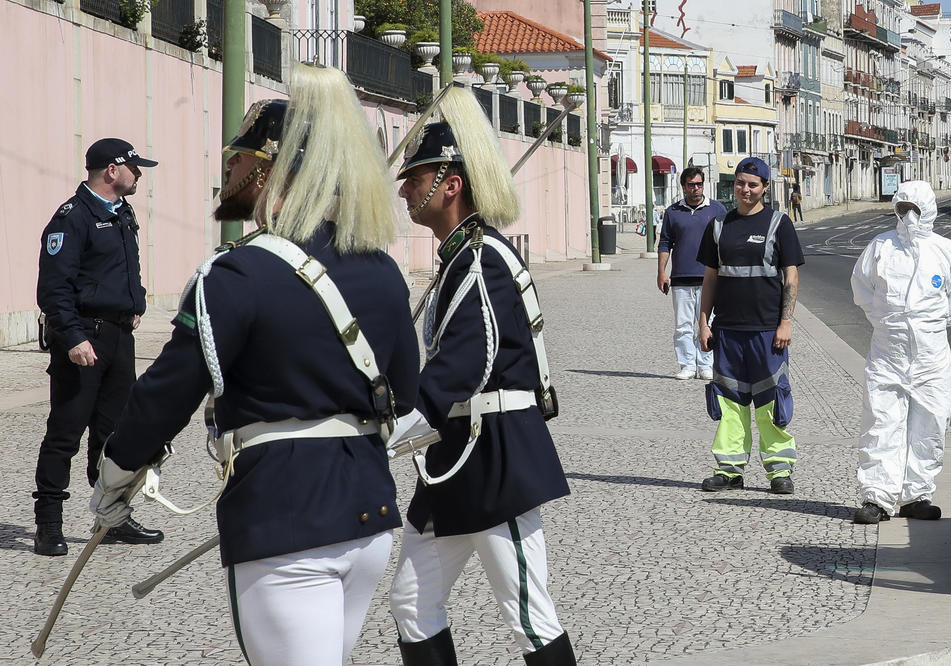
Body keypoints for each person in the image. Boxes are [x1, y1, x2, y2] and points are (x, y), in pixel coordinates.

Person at [88, 63, 419, 664]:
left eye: (237, 160)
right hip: (368, 513)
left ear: (268, 167)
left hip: (285, 518)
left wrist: (116, 477)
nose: (227, 173)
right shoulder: (381, 267)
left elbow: (166, 392)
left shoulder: (236, 272)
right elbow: (407, 396)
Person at [388, 87, 576, 665]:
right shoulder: (461, 256)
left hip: (495, 456)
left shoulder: (482, 259)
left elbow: (462, 366)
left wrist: (378, 439)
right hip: (456, 458)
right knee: (413, 603)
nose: (404, 189)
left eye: (415, 177)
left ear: (451, 184)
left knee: (528, 616)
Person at [32, 138, 162, 556]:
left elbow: (128, 267)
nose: (138, 174)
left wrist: (136, 302)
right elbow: (54, 288)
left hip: (119, 338)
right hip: (84, 338)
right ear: (111, 170)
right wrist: (72, 337)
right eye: (134, 168)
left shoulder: (122, 213)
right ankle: (48, 525)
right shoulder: (72, 218)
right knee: (65, 434)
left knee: (113, 435)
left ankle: (113, 517)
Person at [851, 180, 951, 524]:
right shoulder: (881, 247)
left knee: (930, 421)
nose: (908, 217)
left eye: (914, 210)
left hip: (931, 355)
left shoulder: (946, 250)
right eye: (902, 209)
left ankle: (917, 495)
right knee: (881, 420)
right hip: (888, 352)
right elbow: (862, 289)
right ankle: (877, 496)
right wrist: (889, 321)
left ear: (928, 210)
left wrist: (927, 325)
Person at [697, 156, 804, 494]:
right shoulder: (718, 226)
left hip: (767, 332)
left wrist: (785, 322)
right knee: (729, 402)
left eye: (753, 184)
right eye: (740, 183)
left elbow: (791, 276)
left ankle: (779, 471)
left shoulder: (779, 223)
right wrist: (703, 322)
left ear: (765, 188)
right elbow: (710, 279)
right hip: (728, 331)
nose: (745, 189)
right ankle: (729, 470)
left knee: (772, 400)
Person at [657, 167, 727, 381]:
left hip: (710, 278)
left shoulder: (717, 209)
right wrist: (661, 272)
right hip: (681, 279)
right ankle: (687, 364)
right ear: (683, 187)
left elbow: (726, 242)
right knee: (683, 325)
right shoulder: (672, 212)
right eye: (691, 185)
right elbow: (665, 243)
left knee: (707, 324)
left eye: (699, 184)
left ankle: (706, 364)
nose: (695, 189)